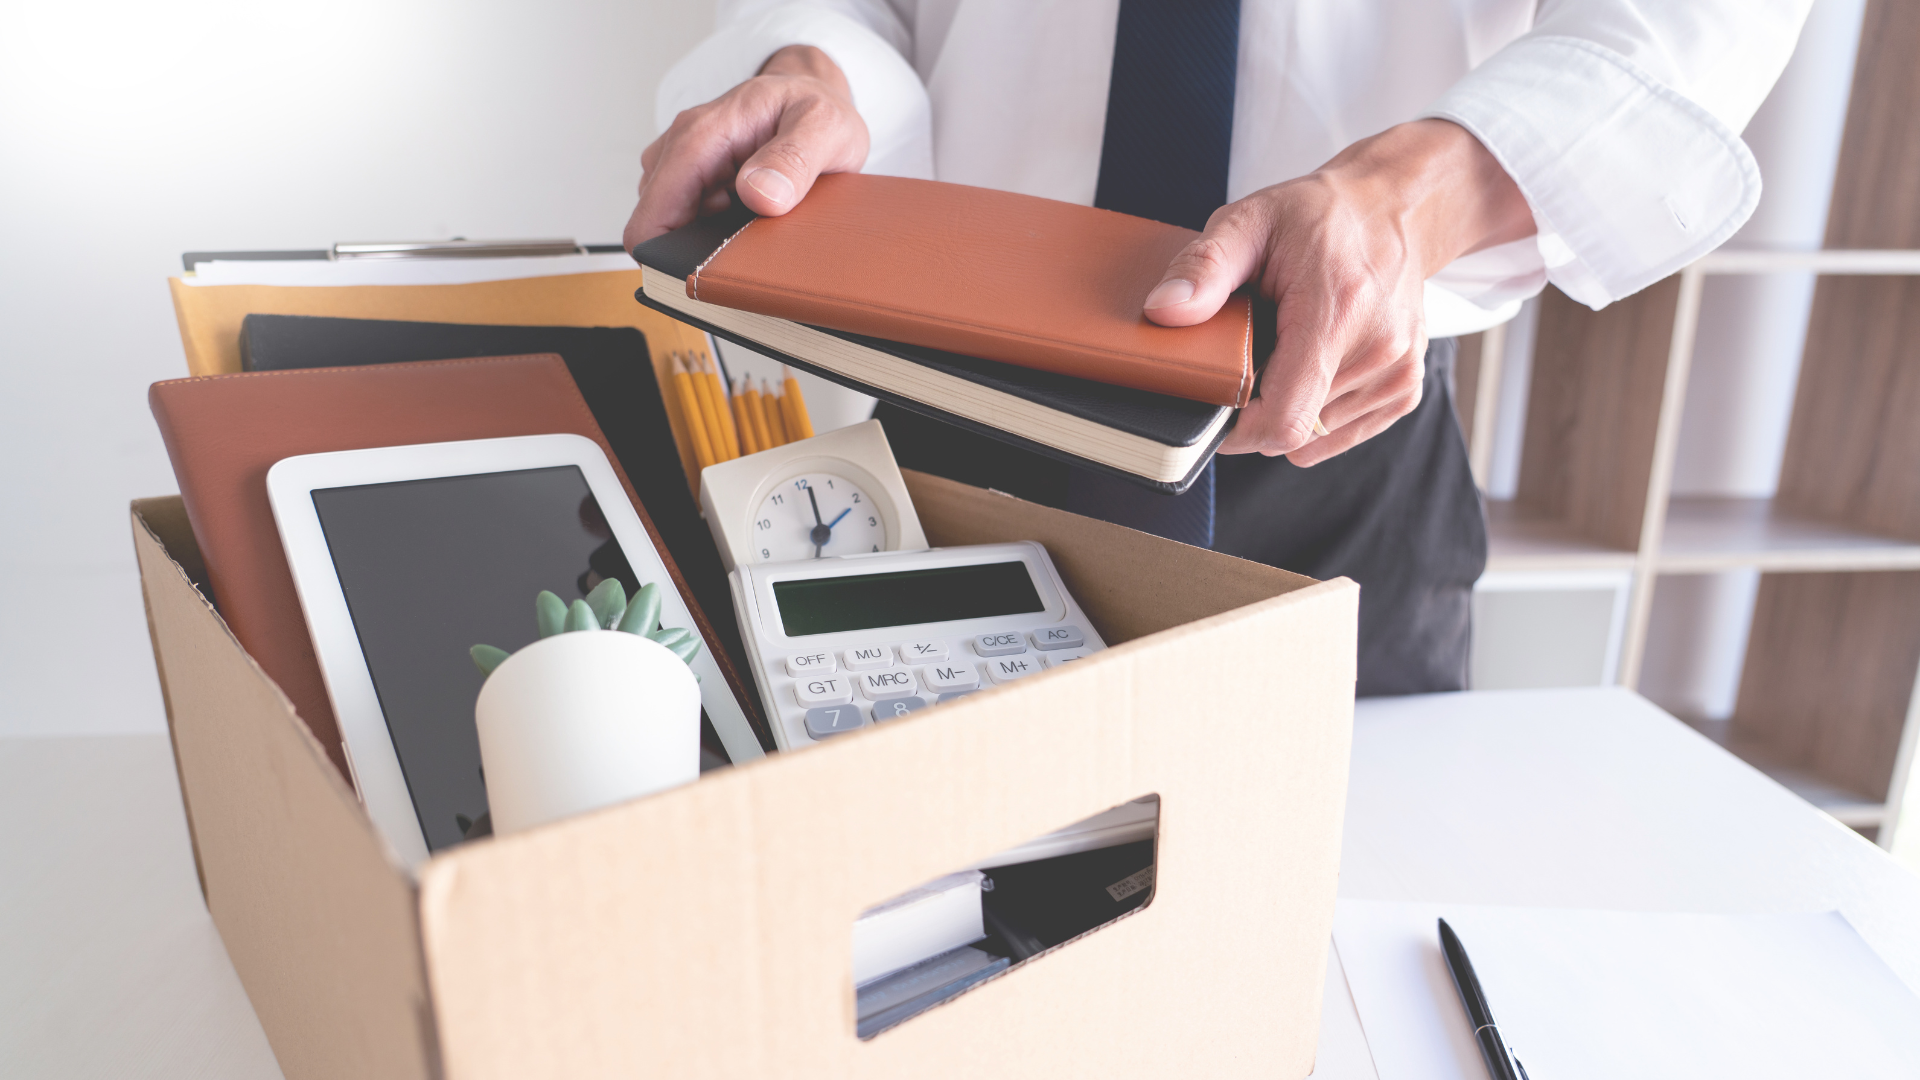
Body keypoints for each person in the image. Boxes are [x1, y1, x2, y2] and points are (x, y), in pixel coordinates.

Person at [625, 0, 1809, 695]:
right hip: (952, 419)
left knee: (1328, 948)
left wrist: (1410, 200)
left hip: (1330, 432)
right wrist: (813, 65)